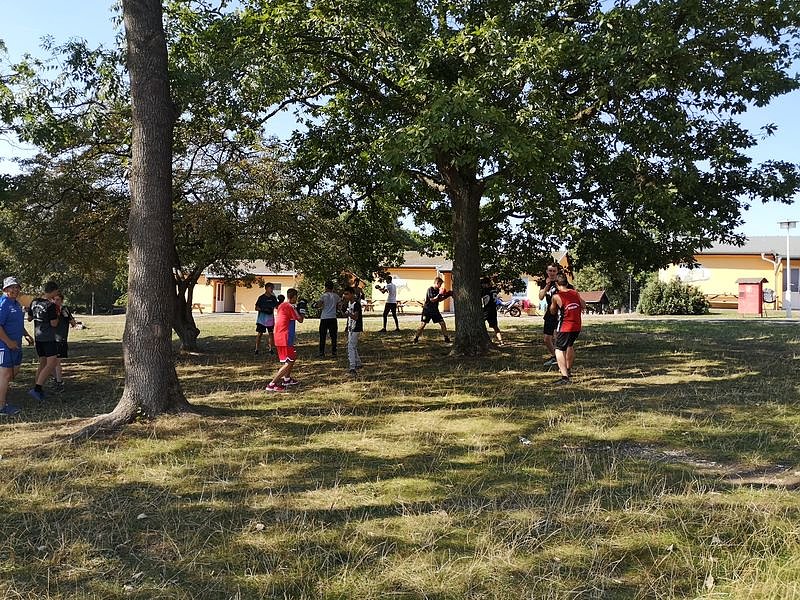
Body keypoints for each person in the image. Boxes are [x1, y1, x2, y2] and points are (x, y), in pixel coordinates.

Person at [0, 277, 34, 416]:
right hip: (4, 345)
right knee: (6, 374)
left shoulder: (16, 303)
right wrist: (8, 342)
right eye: (11, 287)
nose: (14, 290)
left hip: (16, 345)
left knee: (14, 373)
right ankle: (1, 406)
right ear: (5, 289)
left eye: (16, 287)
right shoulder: (3, 304)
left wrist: (25, 334)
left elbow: (17, 323)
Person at [26, 280, 61, 402]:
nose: (57, 294)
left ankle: (38, 389)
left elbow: (29, 318)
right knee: (51, 363)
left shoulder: (34, 302)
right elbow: (54, 323)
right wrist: (57, 314)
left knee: (42, 363)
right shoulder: (50, 305)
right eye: (57, 292)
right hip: (48, 338)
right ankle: (37, 389)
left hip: (38, 337)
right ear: (53, 291)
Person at [549, 273, 586, 385]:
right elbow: (583, 305)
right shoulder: (575, 293)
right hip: (577, 326)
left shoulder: (556, 296)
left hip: (565, 326)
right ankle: (568, 370)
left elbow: (552, 311)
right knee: (569, 346)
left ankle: (565, 377)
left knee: (559, 349)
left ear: (557, 284)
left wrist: (552, 304)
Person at [266, 287, 304, 391]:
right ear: (294, 297)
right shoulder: (288, 307)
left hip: (282, 336)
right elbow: (300, 319)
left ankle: (287, 379)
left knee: (292, 357)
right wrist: (302, 310)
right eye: (296, 297)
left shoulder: (282, 306)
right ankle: (272, 384)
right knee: (289, 362)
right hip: (284, 337)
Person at [413, 276, 451, 343]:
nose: (440, 286)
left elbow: (439, 300)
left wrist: (447, 295)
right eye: (440, 284)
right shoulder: (430, 289)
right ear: (437, 283)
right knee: (423, 325)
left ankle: (446, 338)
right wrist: (439, 294)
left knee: (442, 323)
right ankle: (416, 338)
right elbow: (432, 300)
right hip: (427, 310)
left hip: (435, 311)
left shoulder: (438, 290)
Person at [52, 291, 77, 392]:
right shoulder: (51, 310)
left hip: (60, 338)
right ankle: (55, 379)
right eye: (54, 299)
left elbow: (73, 322)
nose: (55, 301)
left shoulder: (64, 309)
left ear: (62, 301)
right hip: (51, 338)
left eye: (58, 299)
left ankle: (59, 382)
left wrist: (68, 318)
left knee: (57, 361)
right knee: (51, 362)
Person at [538, 263, 561, 366]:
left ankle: (560, 358)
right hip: (549, 312)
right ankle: (554, 356)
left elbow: (567, 292)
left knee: (557, 336)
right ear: (547, 272)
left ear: (557, 272)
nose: (552, 273)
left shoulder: (561, 281)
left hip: (560, 312)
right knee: (547, 338)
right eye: (550, 271)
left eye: (554, 271)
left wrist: (557, 285)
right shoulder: (544, 283)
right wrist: (547, 285)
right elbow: (541, 297)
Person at [342, 286, 363, 374]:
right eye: (345, 294)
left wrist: (348, 313)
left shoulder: (356, 304)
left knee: (350, 346)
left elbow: (355, 317)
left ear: (352, 294)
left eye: (347, 294)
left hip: (356, 328)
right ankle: (358, 363)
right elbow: (347, 316)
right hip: (351, 327)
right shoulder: (348, 304)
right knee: (353, 346)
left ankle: (352, 366)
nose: (345, 296)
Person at [316, 280, 340, 358]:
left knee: (322, 336)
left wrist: (316, 305)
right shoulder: (336, 296)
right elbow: (340, 304)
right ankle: (334, 352)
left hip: (324, 317)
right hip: (333, 317)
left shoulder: (324, 296)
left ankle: (321, 353)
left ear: (325, 287)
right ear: (332, 287)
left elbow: (319, 305)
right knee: (333, 336)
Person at [254, 282, 279, 355]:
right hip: (261, 320)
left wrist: (280, 302)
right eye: (271, 288)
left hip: (270, 320)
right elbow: (256, 307)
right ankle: (256, 349)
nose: (272, 289)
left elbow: (277, 307)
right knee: (260, 334)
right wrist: (263, 309)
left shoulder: (273, 297)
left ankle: (271, 349)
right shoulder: (261, 297)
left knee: (271, 333)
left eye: (272, 288)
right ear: (266, 288)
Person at [480, 277, 503, 345]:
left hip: (487, 309)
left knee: (479, 321)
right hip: (493, 309)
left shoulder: (485, 291)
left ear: (486, 284)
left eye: (482, 284)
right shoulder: (494, 290)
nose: (482, 285)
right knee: (495, 326)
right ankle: (501, 341)